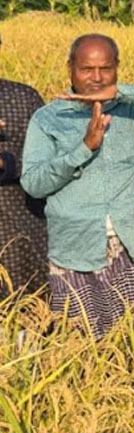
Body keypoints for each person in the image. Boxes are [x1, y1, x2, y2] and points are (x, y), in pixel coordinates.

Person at [21, 34, 134, 337]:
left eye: (106, 69)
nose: (97, 78)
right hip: (75, 249)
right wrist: (83, 148)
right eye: (87, 69)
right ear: (70, 68)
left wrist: (122, 93)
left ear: (117, 68)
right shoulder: (48, 119)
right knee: (79, 342)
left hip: (133, 242)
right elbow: (34, 183)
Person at [0, 31, 47, 294]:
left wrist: (7, 163)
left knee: (28, 318)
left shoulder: (24, 97)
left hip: (22, 230)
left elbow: (48, 158)